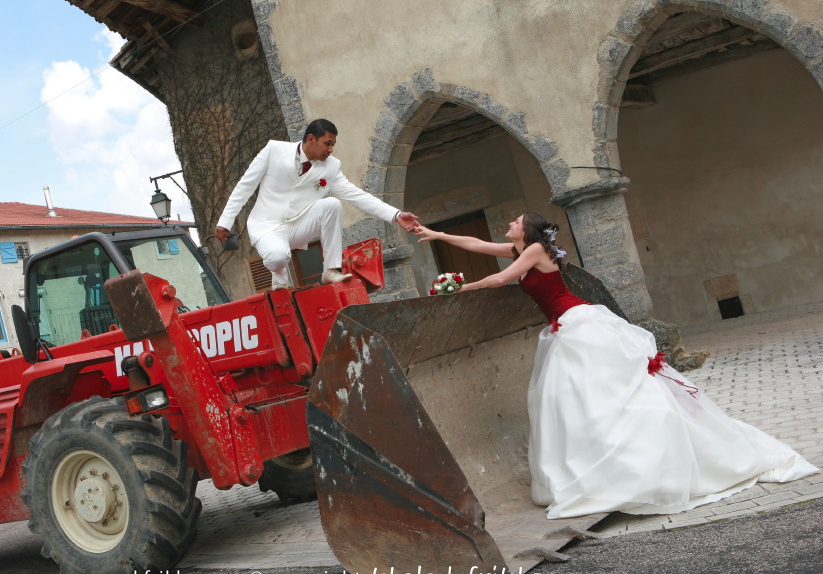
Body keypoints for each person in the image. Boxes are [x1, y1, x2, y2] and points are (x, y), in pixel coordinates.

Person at [415, 212, 818, 519]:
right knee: (575, 399)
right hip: (562, 327)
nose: (508, 224)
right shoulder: (521, 248)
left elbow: (502, 280)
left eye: (515, 221)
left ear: (529, 231)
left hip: (578, 324)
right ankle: (599, 467)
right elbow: (474, 244)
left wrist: (459, 289)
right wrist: (437, 235)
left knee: (598, 394)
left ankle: (632, 467)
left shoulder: (534, 252)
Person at [216, 119, 420, 290]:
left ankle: (331, 270)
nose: (331, 150)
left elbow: (357, 195)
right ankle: (279, 277)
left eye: (333, 145)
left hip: (298, 224)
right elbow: (245, 186)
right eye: (327, 143)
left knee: (332, 204)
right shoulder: (274, 150)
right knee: (278, 258)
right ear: (311, 139)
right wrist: (225, 221)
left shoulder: (331, 167)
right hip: (266, 225)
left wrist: (396, 215)